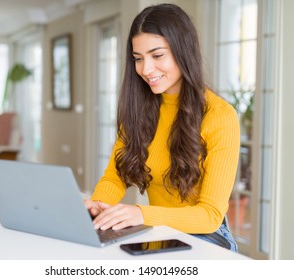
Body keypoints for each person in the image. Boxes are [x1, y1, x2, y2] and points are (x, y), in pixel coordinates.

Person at [85, 3, 240, 252]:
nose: (146, 70)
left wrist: (140, 213)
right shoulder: (138, 110)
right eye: (138, 59)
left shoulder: (219, 116)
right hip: (158, 236)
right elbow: (116, 176)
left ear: (183, 51)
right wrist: (97, 205)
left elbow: (210, 216)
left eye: (157, 56)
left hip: (205, 242)